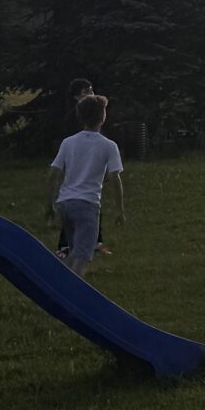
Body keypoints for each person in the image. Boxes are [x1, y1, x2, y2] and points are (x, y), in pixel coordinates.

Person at [46, 93, 126, 274]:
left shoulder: (68, 142)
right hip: (87, 205)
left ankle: (59, 281)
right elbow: (115, 178)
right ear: (103, 117)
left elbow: (53, 174)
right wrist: (120, 210)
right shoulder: (108, 145)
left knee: (73, 251)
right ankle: (70, 287)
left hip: (65, 203)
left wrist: (50, 205)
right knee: (82, 256)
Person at [57, 76, 95, 258]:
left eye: (92, 90)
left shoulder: (94, 115)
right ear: (76, 97)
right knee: (74, 205)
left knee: (94, 201)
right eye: (86, 91)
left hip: (90, 165)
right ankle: (65, 243)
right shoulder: (73, 118)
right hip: (76, 167)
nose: (91, 94)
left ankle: (95, 241)